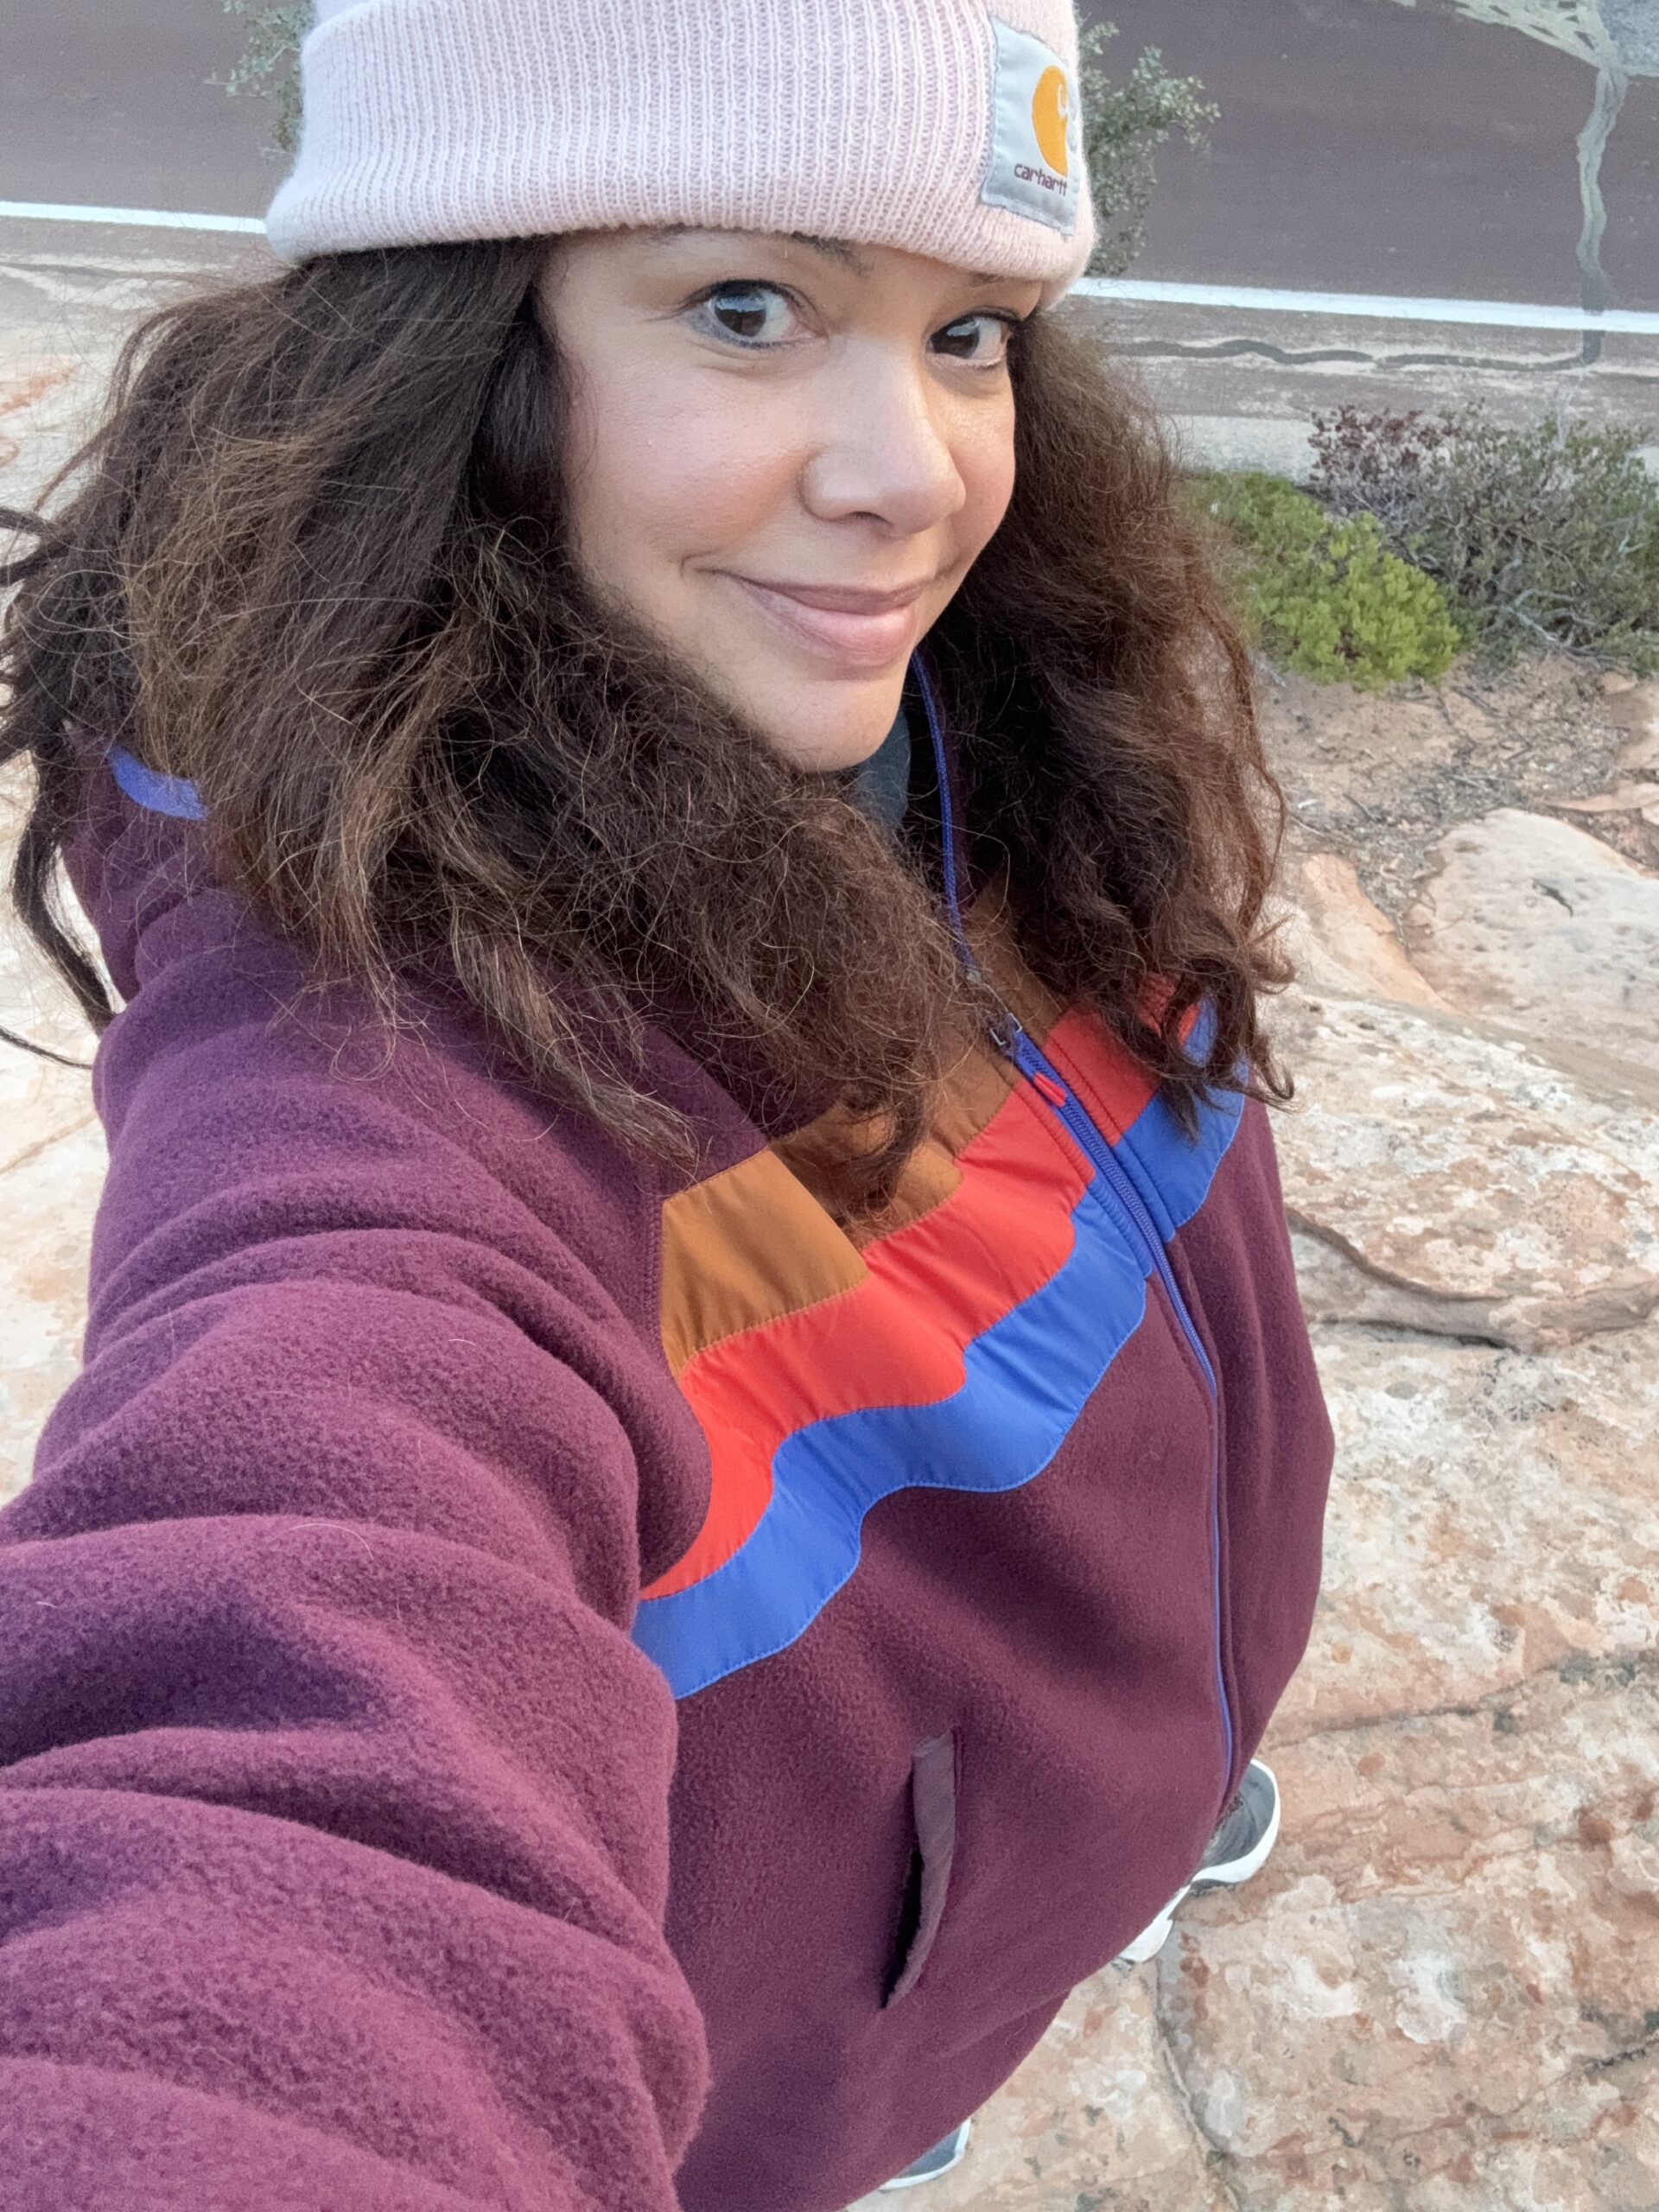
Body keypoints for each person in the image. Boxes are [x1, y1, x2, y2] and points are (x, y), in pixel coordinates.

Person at [0, 2, 1333, 2205]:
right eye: (747, 306)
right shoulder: (390, 1018)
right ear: (457, 349)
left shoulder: (992, 684)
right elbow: (304, 1650)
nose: (917, 473)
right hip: (835, 2026)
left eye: (973, 331)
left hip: (1123, 1706)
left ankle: (1166, 1803)